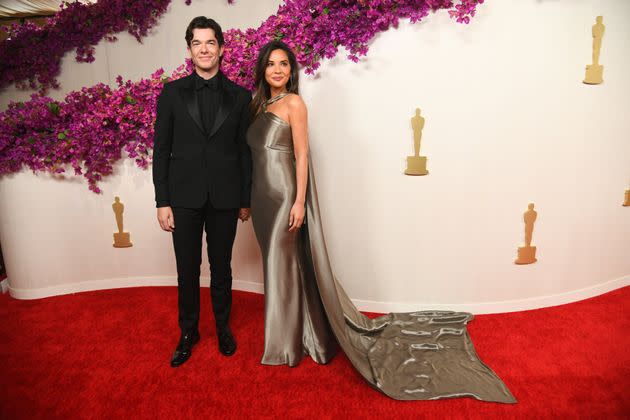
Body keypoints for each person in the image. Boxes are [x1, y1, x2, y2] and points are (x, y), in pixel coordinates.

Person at [246, 40, 516, 403]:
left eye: (284, 65)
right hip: (260, 200)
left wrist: (298, 201)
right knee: (281, 266)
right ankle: (304, 336)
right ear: (262, 70)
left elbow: (302, 155)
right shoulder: (259, 105)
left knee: (283, 266)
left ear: (291, 71)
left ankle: (283, 347)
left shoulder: (294, 103)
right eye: (271, 65)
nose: (278, 70)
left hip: (283, 198)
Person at [152, 16, 252, 367]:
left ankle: (223, 328)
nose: (205, 49)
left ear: (221, 48)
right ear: (190, 50)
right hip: (183, 199)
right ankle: (188, 332)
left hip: (225, 198)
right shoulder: (171, 94)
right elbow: (161, 150)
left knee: (221, 268)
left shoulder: (241, 97)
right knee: (187, 270)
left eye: (211, 43)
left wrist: (245, 199)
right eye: (198, 43)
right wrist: (162, 201)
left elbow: (244, 151)